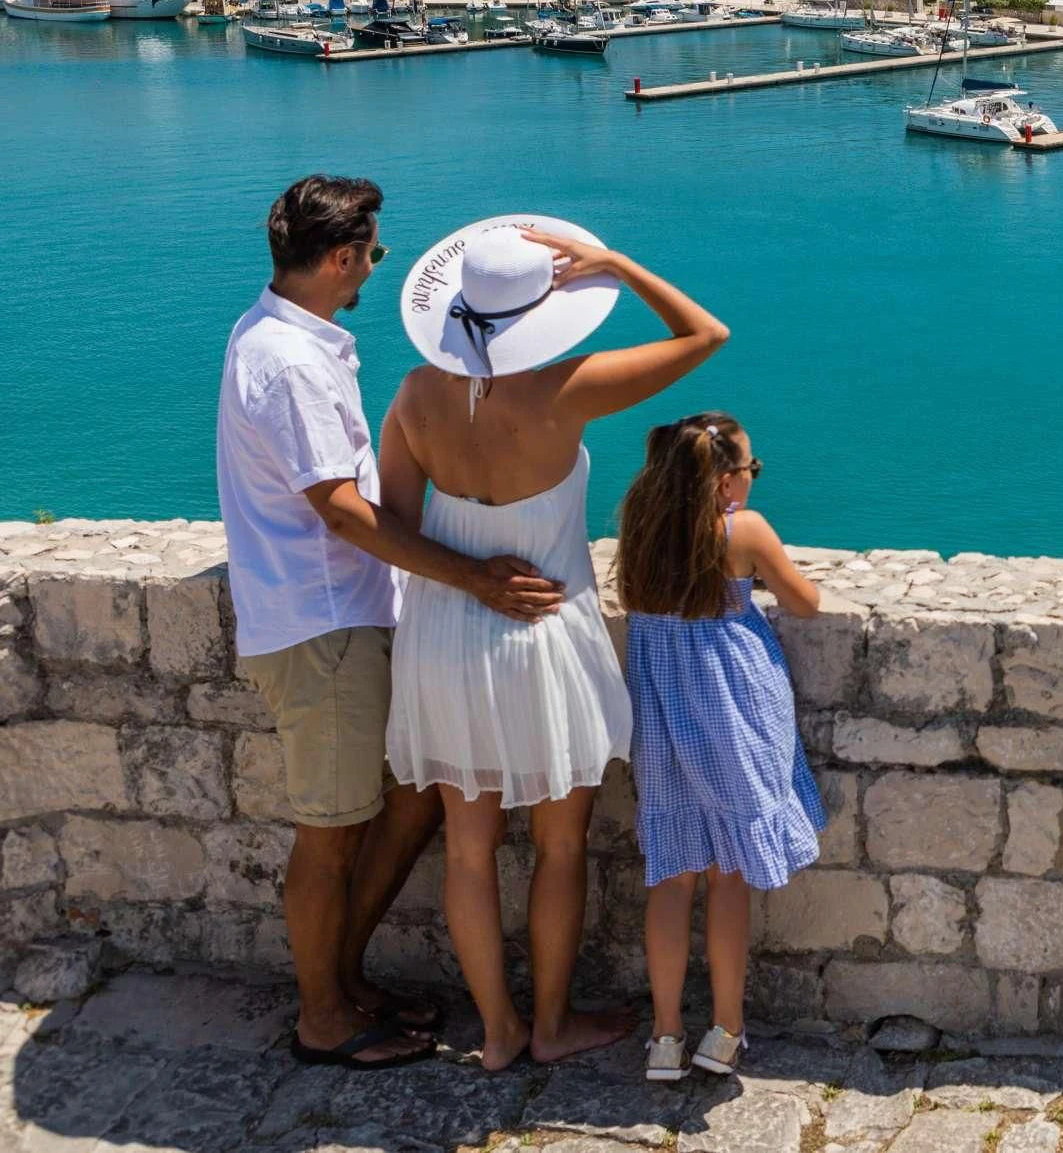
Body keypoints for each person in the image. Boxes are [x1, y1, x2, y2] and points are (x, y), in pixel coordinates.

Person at [217, 176, 565, 1071]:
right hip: (322, 625)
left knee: (411, 802)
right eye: (372, 253)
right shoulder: (289, 363)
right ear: (341, 259)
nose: (376, 265)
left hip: (345, 616)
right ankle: (322, 1019)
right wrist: (474, 578)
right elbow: (340, 510)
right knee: (330, 835)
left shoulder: (279, 338)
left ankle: (344, 983)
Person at [379, 216, 728, 1071]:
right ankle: (550, 1025)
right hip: (542, 637)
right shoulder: (568, 387)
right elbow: (704, 333)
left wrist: (466, 572)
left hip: (443, 633)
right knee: (560, 844)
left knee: (466, 846)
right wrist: (614, 261)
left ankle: (496, 1033)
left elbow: (391, 524)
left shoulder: (415, 395)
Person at [613, 413, 825, 1083]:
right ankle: (726, 1031)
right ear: (726, 480)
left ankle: (665, 1036)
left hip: (663, 719)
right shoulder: (742, 531)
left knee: (672, 877)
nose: (753, 480)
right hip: (732, 716)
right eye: (751, 469)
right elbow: (806, 602)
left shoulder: (642, 531)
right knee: (729, 873)